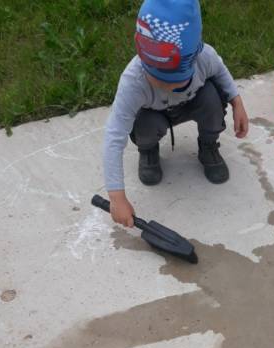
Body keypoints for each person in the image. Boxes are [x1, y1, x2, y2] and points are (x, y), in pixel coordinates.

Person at [103, 0, 249, 228]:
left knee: (212, 98)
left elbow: (220, 71)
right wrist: (116, 197)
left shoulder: (204, 57)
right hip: (154, 115)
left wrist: (237, 102)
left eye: (174, 81)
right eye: (157, 78)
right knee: (145, 124)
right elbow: (114, 135)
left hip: (192, 103)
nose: (165, 86)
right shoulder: (133, 82)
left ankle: (208, 146)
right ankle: (148, 150)